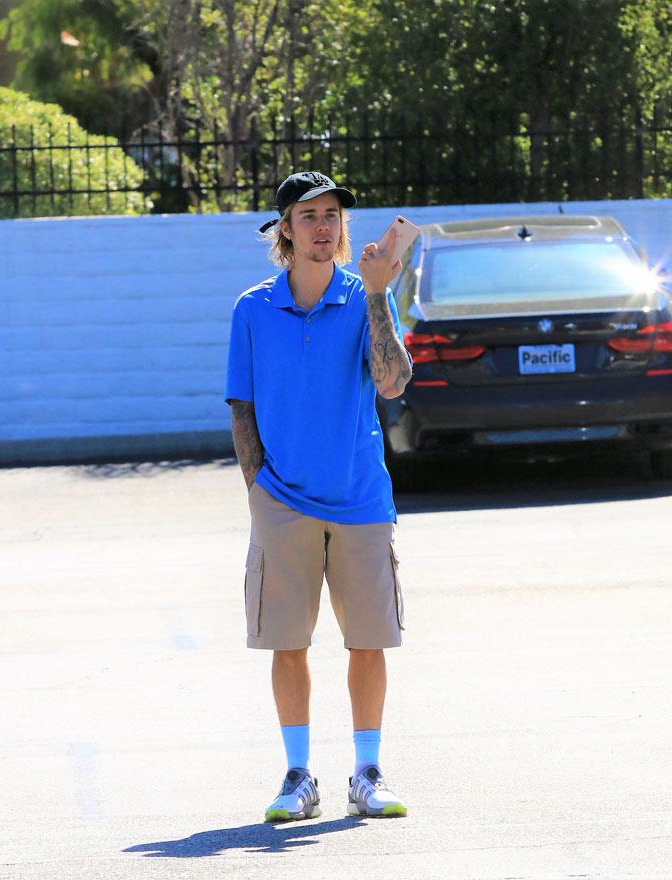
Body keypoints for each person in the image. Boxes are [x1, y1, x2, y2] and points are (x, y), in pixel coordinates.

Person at [224, 171, 414, 822]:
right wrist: (258, 492)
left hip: (360, 496)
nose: (324, 227)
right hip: (281, 501)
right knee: (288, 644)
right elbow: (241, 408)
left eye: (333, 215)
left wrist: (382, 297)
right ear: (285, 227)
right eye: (309, 216)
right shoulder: (252, 309)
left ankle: (367, 773)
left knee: (368, 641)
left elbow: (392, 382)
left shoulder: (367, 298)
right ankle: (299, 775)